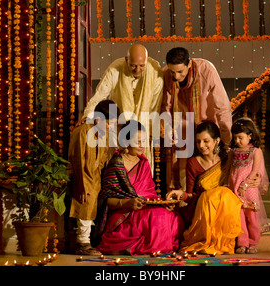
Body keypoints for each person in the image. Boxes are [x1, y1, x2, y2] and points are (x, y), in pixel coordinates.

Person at [166, 121, 260, 255]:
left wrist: (256, 179)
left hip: (226, 205)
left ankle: (225, 242)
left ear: (217, 141)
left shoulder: (228, 158)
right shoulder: (193, 162)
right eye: (198, 142)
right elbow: (191, 194)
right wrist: (181, 194)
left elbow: (244, 172)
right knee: (212, 196)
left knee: (224, 193)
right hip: (204, 207)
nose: (201, 146)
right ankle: (209, 240)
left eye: (206, 141)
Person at [95, 120, 184, 255]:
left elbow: (150, 194)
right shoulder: (116, 163)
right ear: (125, 142)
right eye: (138, 141)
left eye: (144, 141)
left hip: (144, 207)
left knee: (170, 215)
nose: (142, 145)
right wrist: (129, 202)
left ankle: (156, 247)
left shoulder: (144, 163)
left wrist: (163, 203)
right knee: (157, 216)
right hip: (124, 211)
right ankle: (151, 247)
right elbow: (106, 199)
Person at [80, 44, 164, 168]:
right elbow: (99, 97)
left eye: (142, 66)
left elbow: (155, 107)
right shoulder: (115, 69)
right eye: (133, 65)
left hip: (141, 132)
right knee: (117, 169)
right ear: (126, 60)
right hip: (119, 130)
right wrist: (87, 117)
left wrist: (151, 134)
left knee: (142, 173)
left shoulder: (155, 71)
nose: (137, 70)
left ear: (147, 61)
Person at [161, 47, 232, 191]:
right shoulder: (166, 74)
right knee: (182, 178)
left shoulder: (206, 69)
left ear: (189, 64)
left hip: (205, 130)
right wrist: (169, 131)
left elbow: (222, 106)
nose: (176, 77)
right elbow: (166, 107)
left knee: (211, 179)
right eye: (172, 72)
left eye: (180, 71)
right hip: (181, 132)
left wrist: (227, 140)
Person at [68, 100, 121, 255]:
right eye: (109, 123)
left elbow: (102, 160)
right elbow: (77, 160)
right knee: (83, 209)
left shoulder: (100, 135)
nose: (111, 127)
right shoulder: (83, 131)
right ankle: (82, 243)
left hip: (94, 181)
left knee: (91, 211)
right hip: (82, 180)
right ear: (98, 119)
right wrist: (80, 185)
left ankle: (88, 241)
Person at [228, 117, 269, 254]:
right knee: (239, 218)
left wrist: (244, 186)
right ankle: (242, 243)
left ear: (250, 136)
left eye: (240, 137)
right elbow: (230, 170)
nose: (237, 141)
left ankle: (253, 242)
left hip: (249, 188)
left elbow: (255, 171)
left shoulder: (256, 151)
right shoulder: (233, 152)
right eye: (235, 138)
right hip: (234, 189)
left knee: (251, 218)